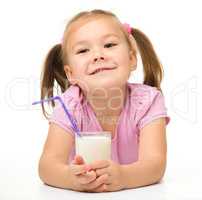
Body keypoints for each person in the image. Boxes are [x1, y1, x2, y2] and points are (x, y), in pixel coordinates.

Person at [38, 9, 170, 192]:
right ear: (71, 74)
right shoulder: (70, 105)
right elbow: (47, 167)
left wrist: (123, 177)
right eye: (83, 50)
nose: (98, 55)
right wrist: (71, 179)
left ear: (132, 58)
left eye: (109, 45)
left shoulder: (148, 101)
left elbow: (155, 165)